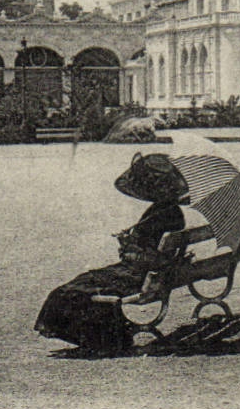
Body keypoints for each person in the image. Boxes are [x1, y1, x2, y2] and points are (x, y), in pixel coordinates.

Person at [35, 151, 190, 355]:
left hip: (136, 274)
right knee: (83, 281)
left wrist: (128, 246)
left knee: (69, 291)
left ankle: (101, 339)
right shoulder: (170, 211)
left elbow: (145, 257)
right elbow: (154, 248)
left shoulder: (161, 212)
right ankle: (106, 336)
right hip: (146, 273)